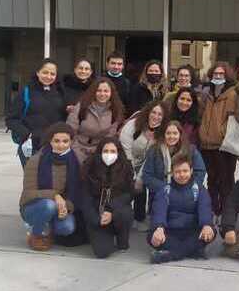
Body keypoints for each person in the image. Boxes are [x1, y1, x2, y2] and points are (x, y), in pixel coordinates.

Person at [19, 123, 80, 251]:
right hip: (35, 206)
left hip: (59, 206)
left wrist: (66, 207)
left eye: (65, 141)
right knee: (49, 205)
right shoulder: (36, 160)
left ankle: (48, 230)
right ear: (50, 141)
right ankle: (35, 235)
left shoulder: (74, 161)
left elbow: (75, 194)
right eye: (56, 141)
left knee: (67, 227)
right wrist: (55, 196)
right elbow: (28, 194)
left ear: (71, 142)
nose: (61, 145)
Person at [148, 153, 216, 263]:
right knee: (152, 236)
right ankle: (193, 251)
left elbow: (205, 208)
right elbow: (159, 211)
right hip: (170, 232)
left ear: (191, 171)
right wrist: (159, 228)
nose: (182, 175)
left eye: (185, 171)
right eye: (178, 172)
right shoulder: (165, 190)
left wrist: (206, 224)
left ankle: (169, 255)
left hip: (192, 232)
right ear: (172, 173)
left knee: (210, 232)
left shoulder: (199, 189)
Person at [141, 121, 207, 230]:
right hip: (162, 194)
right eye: (168, 133)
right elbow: (147, 175)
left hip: (187, 193)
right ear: (163, 134)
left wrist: (187, 188)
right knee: (159, 228)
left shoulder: (191, 150)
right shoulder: (154, 150)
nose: (171, 136)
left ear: (180, 134)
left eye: (175, 133)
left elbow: (200, 172)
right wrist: (166, 189)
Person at [79, 138, 134, 259]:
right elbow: (85, 197)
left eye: (113, 151)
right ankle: (101, 235)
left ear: (118, 152)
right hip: (97, 212)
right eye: (106, 151)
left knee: (124, 214)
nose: (109, 154)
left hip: (116, 210)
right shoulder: (90, 167)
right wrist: (96, 219)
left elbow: (129, 194)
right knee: (102, 252)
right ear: (99, 152)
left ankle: (122, 239)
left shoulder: (126, 166)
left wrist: (110, 211)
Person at [6, 58, 66, 167]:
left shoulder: (60, 92)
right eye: (45, 72)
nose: (48, 76)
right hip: (32, 147)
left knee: (54, 177)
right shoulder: (26, 92)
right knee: (33, 177)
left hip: (55, 147)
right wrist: (27, 134)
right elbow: (11, 119)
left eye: (52, 74)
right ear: (38, 73)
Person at [198, 62, 239, 217]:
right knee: (211, 179)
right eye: (215, 73)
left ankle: (226, 213)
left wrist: (222, 133)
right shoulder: (206, 93)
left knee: (225, 181)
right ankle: (214, 210)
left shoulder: (232, 94)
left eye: (221, 74)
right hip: (206, 144)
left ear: (227, 75)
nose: (218, 76)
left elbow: (232, 118)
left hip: (223, 145)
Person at [119, 100, 168, 228]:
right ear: (147, 112)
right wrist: (132, 173)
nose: (156, 117)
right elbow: (125, 148)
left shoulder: (161, 133)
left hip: (143, 164)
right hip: (125, 160)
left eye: (160, 114)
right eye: (153, 112)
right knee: (125, 189)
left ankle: (139, 218)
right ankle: (119, 216)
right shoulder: (133, 125)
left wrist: (139, 177)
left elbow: (150, 157)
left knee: (140, 186)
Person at [66, 77, 124, 163]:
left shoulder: (115, 110)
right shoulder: (81, 106)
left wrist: (98, 155)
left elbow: (109, 137)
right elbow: (70, 131)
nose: (102, 94)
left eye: (106, 91)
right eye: (99, 91)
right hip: (77, 148)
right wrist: (77, 153)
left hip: (99, 151)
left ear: (111, 93)